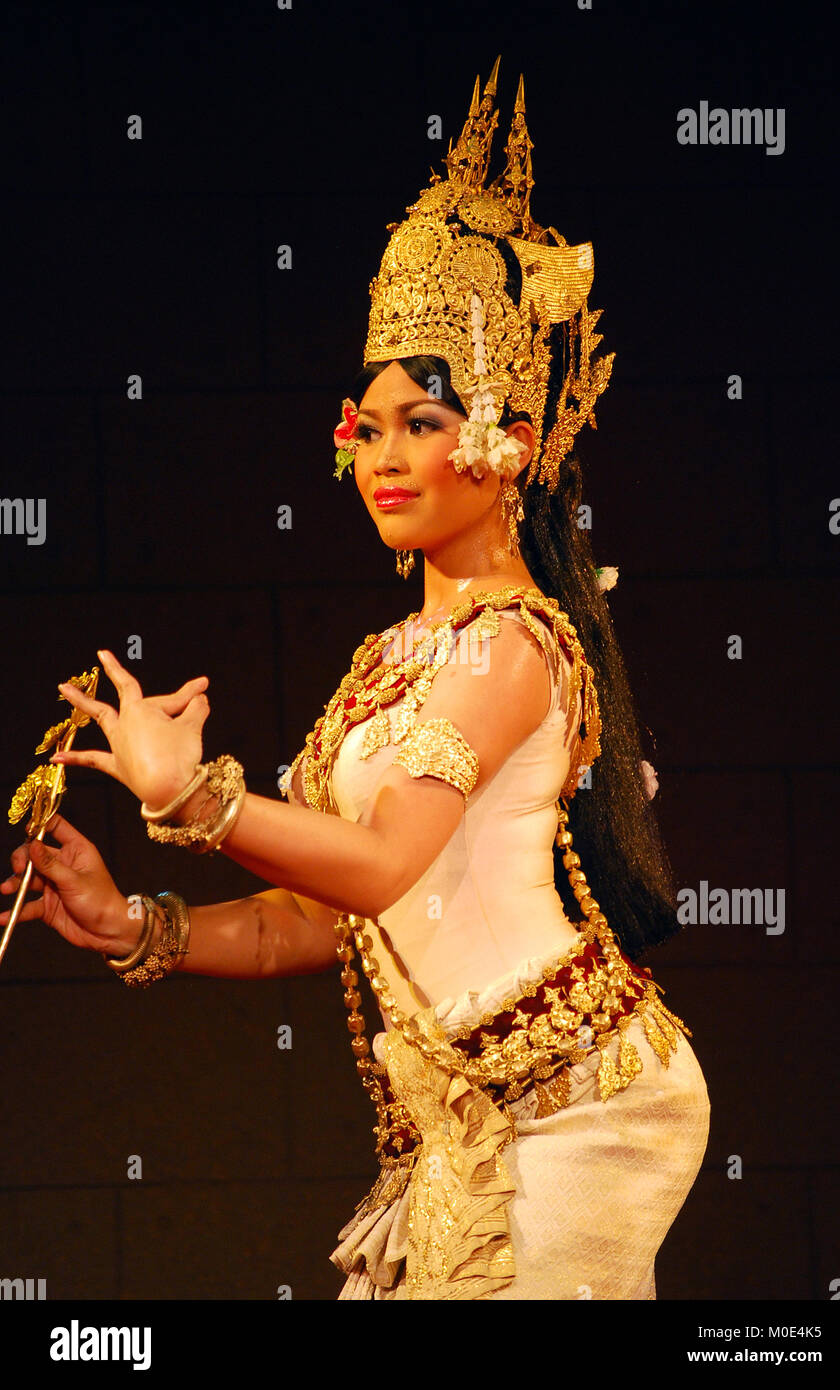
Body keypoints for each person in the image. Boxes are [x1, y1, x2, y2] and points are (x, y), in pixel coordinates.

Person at [0, 57, 709, 1300]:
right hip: (456, 1123)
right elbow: (325, 916)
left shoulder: (514, 643)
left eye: (421, 424)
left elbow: (383, 861)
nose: (385, 456)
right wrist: (138, 922)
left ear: (509, 444)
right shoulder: (384, 665)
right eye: (366, 426)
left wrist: (195, 800)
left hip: (568, 1108)